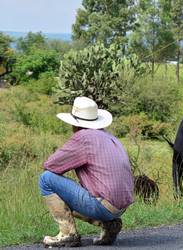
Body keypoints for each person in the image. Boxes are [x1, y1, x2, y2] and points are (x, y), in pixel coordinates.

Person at [38, 96, 134, 247]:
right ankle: (109, 225)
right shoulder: (110, 137)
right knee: (75, 188)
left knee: (46, 179)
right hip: (120, 208)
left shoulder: (83, 137)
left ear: (75, 125)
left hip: (103, 206)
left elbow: (50, 165)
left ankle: (67, 234)